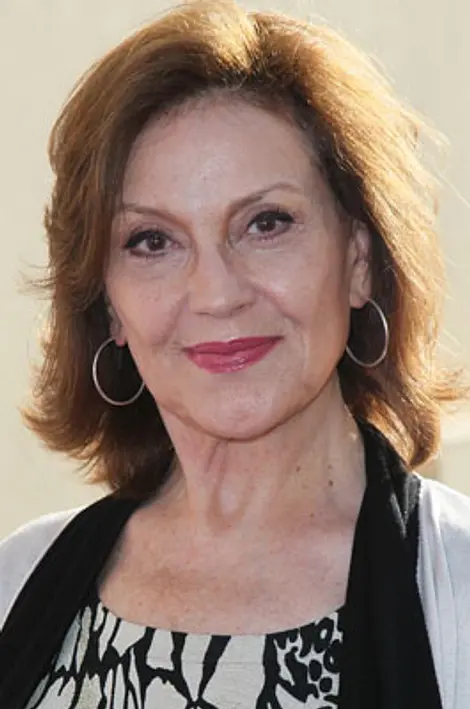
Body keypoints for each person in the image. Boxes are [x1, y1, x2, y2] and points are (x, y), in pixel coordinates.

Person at [0, 0, 469, 707]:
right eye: (152, 241)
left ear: (359, 259)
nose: (217, 294)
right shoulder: (18, 582)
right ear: (108, 305)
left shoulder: (458, 587)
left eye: (266, 223)